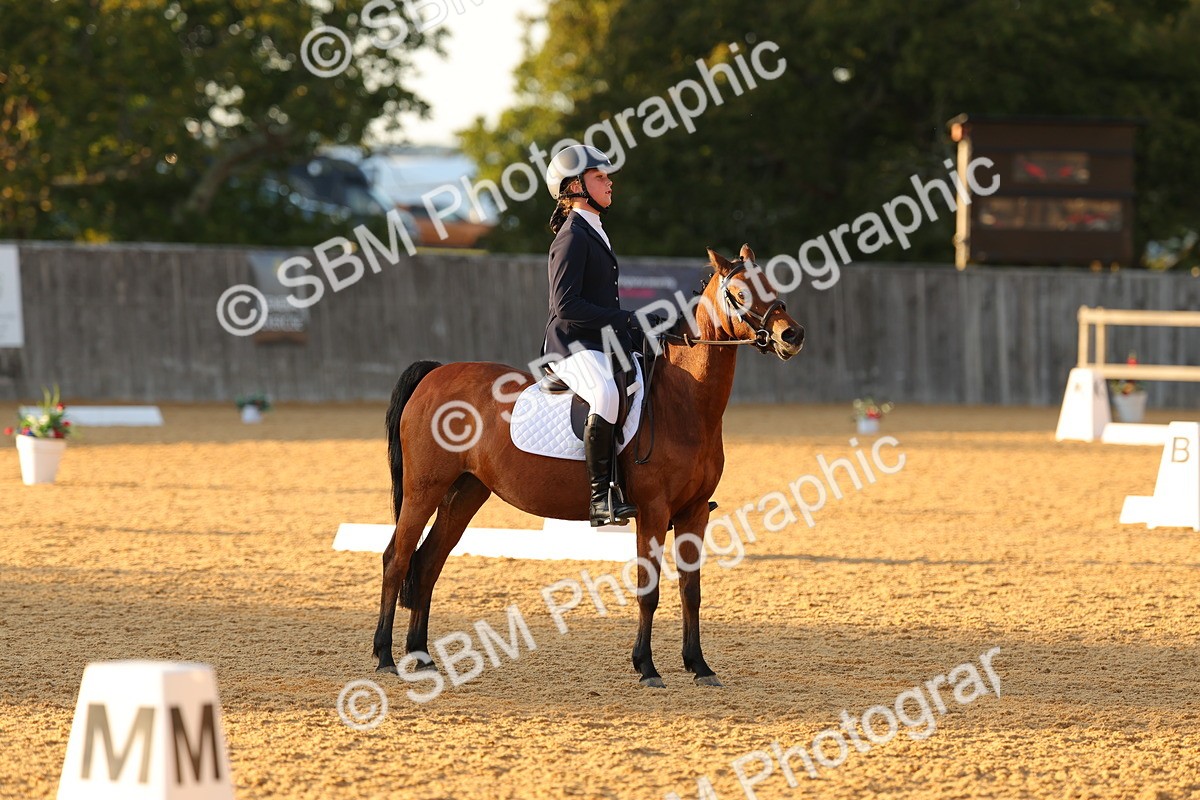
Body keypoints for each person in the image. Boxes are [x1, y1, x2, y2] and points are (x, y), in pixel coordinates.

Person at [542, 144, 642, 527]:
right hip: (570, 345)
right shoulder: (572, 237)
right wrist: (624, 319)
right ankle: (601, 498)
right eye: (600, 177)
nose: (609, 182)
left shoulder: (595, 230)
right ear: (574, 188)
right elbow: (566, 306)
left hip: (599, 341)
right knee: (605, 393)